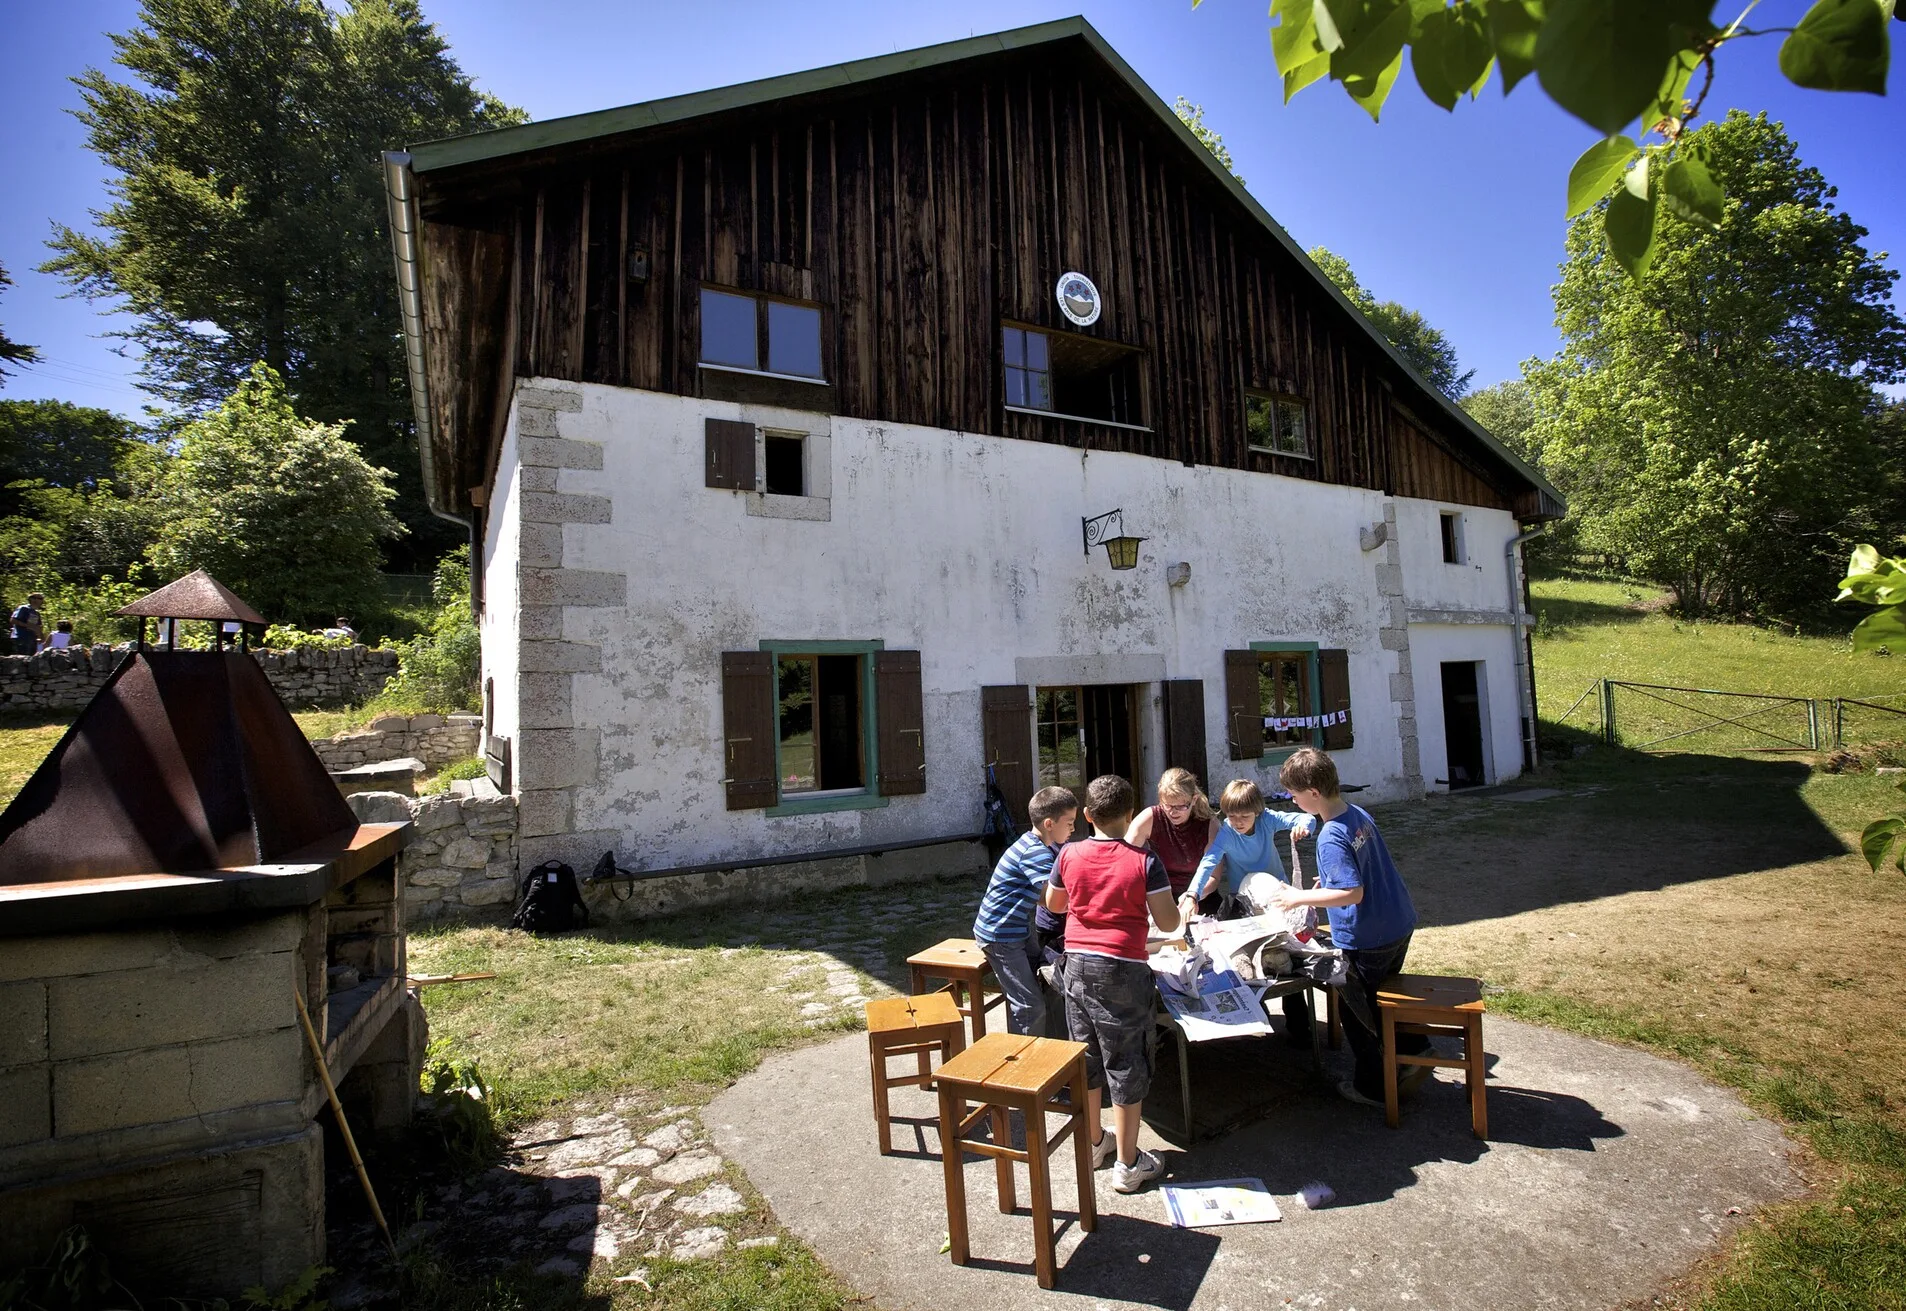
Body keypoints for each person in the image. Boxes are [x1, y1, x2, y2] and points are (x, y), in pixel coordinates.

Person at [1267, 747, 1429, 1108]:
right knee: (1382, 998)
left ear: (1313, 793)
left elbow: (1353, 893)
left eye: (1294, 795)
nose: (1293, 803)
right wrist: (1324, 884)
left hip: (1369, 937)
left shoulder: (1330, 836)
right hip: (1398, 922)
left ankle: (1375, 1087)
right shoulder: (1356, 814)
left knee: (1355, 1011)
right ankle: (1416, 1052)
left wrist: (1299, 899)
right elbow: (1360, 869)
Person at [1043, 774, 1180, 1193]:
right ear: (1129, 814)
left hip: (1077, 965)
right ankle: (1128, 1162)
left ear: (1086, 816)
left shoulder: (1069, 853)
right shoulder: (1144, 860)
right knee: (1126, 1060)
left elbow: (1054, 904)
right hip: (1122, 968)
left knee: (1086, 1056)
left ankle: (1094, 1143)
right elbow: (1169, 921)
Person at [1182, 778, 1316, 1047]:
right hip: (1244, 907)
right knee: (1249, 964)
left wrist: (1303, 828)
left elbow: (1308, 819)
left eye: (1244, 816)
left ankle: (1299, 1023)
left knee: (1287, 959)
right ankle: (1259, 1021)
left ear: (1259, 811)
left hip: (1278, 901)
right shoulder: (1227, 833)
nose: (1238, 821)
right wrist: (1191, 894)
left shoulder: (1268, 821)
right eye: (1232, 816)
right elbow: (1208, 863)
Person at [972, 785, 1077, 1036]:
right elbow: (1052, 901)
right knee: (1029, 1005)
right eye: (1070, 822)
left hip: (1016, 930)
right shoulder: (1036, 853)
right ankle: (1024, 1066)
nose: (1073, 828)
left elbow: (1048, 896)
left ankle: (1056, 1053)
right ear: (1050, 823)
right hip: (1000, 936)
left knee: (1049, 983)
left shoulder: (1037, 844)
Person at [1125, 766, 1220, 901]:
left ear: (1194, 800)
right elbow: (1125, 859)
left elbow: (1214, 877)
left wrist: (1192, 895)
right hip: (1160, 894)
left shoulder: (1209, 825)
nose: (1173, 812)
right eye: (1168, 805)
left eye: (1181, 806)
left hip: (1200, 895)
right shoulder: (1150, 818)